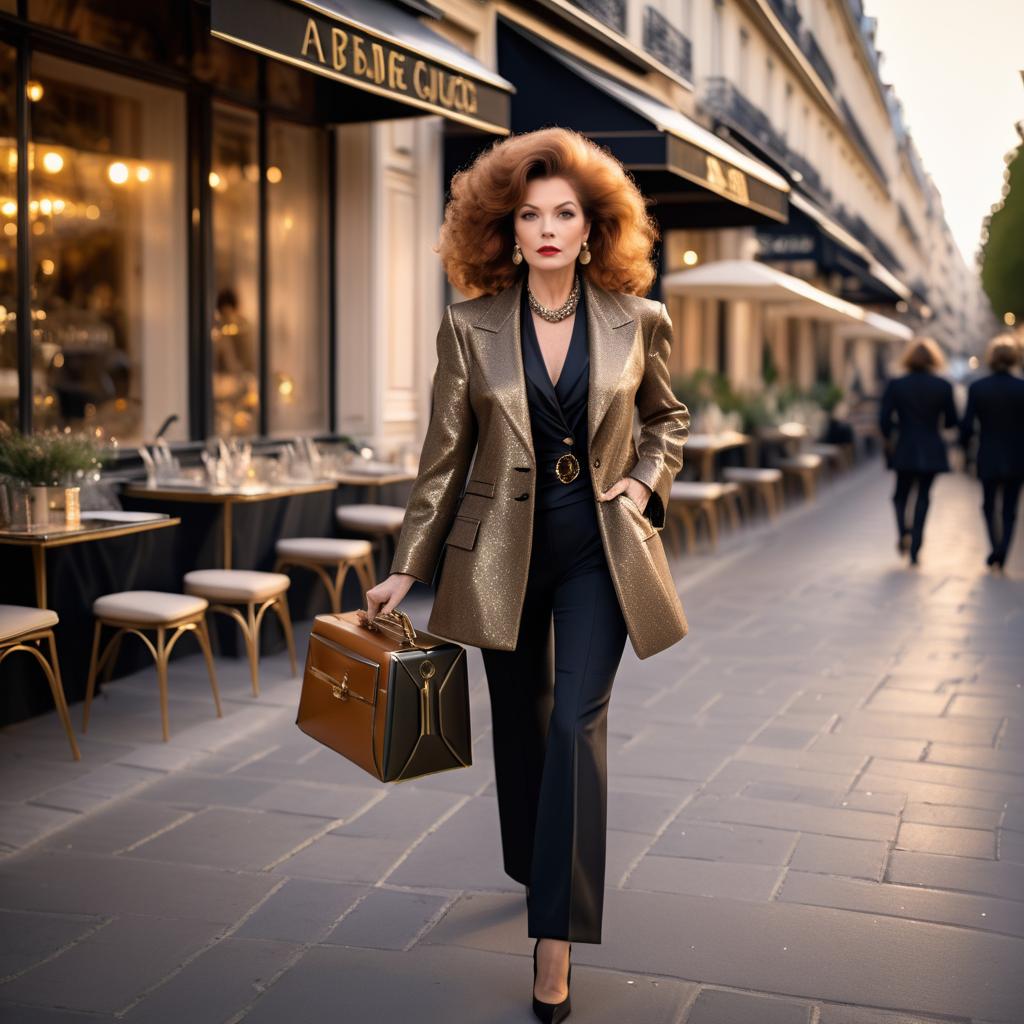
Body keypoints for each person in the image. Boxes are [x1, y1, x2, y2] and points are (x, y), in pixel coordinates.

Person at [365, 127, 690, 1021]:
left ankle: (555, 939)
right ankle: (532, 856)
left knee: (577, 724)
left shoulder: (642, 320)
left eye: (565, 215)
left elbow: (670, 418)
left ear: (593, 229)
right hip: (496, 554)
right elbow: (442, 458)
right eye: (530, 216)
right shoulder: (469, 326)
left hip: (602, 549)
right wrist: (406, 570)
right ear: (507, 232)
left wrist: (643, 480)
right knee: (523, 719)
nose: (548, 230)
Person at [878, 336, 958, 566]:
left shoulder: (896, 384)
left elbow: (884, 419)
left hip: (904, 446)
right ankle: (916, 546)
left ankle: (904, 530)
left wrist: (892, 433)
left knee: (900, 494)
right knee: (924, 496)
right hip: (932, 447)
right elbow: (951, 421)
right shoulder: (943, 386)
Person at [959, 333, 1024, 571]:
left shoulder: (978, 388)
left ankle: (995, 546)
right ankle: (1003, 550)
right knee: (1010, 508)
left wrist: (964, 451)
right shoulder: (1022, 388)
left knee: (988, 504)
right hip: (1018, 456)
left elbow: (966, 425)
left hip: (988, 455)